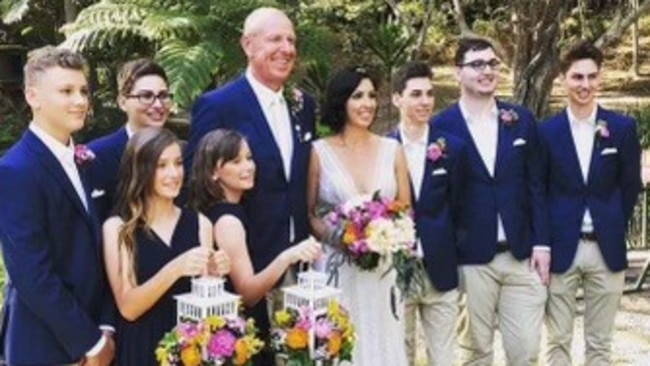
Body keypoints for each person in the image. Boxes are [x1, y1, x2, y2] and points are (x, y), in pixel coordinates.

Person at [431, 37, 550, 365]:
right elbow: (436, 197)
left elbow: (536, 185)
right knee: (475, 354)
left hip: (521, 256)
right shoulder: (440, 128)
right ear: (458, 72)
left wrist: (542, 244)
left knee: (526, 351)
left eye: (492, 64)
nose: (487, 71)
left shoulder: (521, 119)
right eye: (477, 64)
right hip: (470, 259)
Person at [184, 6, 316, 291]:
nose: (286, 48)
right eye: (275, 39)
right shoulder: (218, 106)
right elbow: (195, 184)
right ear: (248, 45)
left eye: (291, 40)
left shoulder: (304, 105)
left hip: (302, 265)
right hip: (244, 265)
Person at [0, 46, 115, 365]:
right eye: (66, 91)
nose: (80, 100)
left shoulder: (87, 161)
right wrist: (89, 343)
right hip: (44, 345)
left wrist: (105, 327)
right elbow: (31, 273)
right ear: (33, 97)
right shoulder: (15, 170)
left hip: (97, 332)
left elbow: (99, 250)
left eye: (83, 90)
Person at [539, 40, 642, 365]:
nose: (585, 85)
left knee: (600, 343)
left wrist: (611, 221)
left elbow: (629, 187)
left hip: (606, 247)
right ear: (563, 79)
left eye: (591, 77)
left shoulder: (622, 129)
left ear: (599, 79)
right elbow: (539, 191)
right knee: (557, 341)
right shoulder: (547, 132)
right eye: (577, 77)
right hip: (561, 248)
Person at [189, 129, 322, 365]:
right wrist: (287, 258)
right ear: (213, 172)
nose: (248, 167)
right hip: (239, 333)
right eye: (236, 161)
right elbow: (247, 293)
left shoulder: (229, 209)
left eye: (249, 158)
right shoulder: (228, 221)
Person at [307, 66, 411, 366]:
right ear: (341, 101)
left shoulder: (393, 150)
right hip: (337, 267)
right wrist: (343, 238)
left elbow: (404, 209)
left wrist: (386, 236)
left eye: (371, 96)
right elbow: (310, 213)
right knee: (340, 344)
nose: (367, 103)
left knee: (383, 341)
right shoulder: (319, 152)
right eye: (357, 96)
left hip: (382, 268)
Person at [102, 128, 230, 365]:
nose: (174, 173)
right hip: (141, 348)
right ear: (140, 170)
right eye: (161, 165)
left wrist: (214, 274)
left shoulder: (200, 223)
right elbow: (128, 307)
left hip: (189, 350)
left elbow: (204, 299)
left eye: (178, 163)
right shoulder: (119, 227)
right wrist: (176, 268)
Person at [389, 61, 467, 366]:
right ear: (397, 98)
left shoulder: (453, 149)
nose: (425, 102)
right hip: (397, 271)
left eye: (429, 94)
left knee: (444, 357)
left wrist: (450, 247)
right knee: (399, 354)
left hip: (442, 269)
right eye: (416, 94)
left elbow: (461, 209)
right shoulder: (383, 149)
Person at [87, 58, 172, 222]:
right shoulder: (97, 156)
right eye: (146, 96)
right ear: (122, 102)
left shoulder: (180, 152)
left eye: (163, 96)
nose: (158, 104)